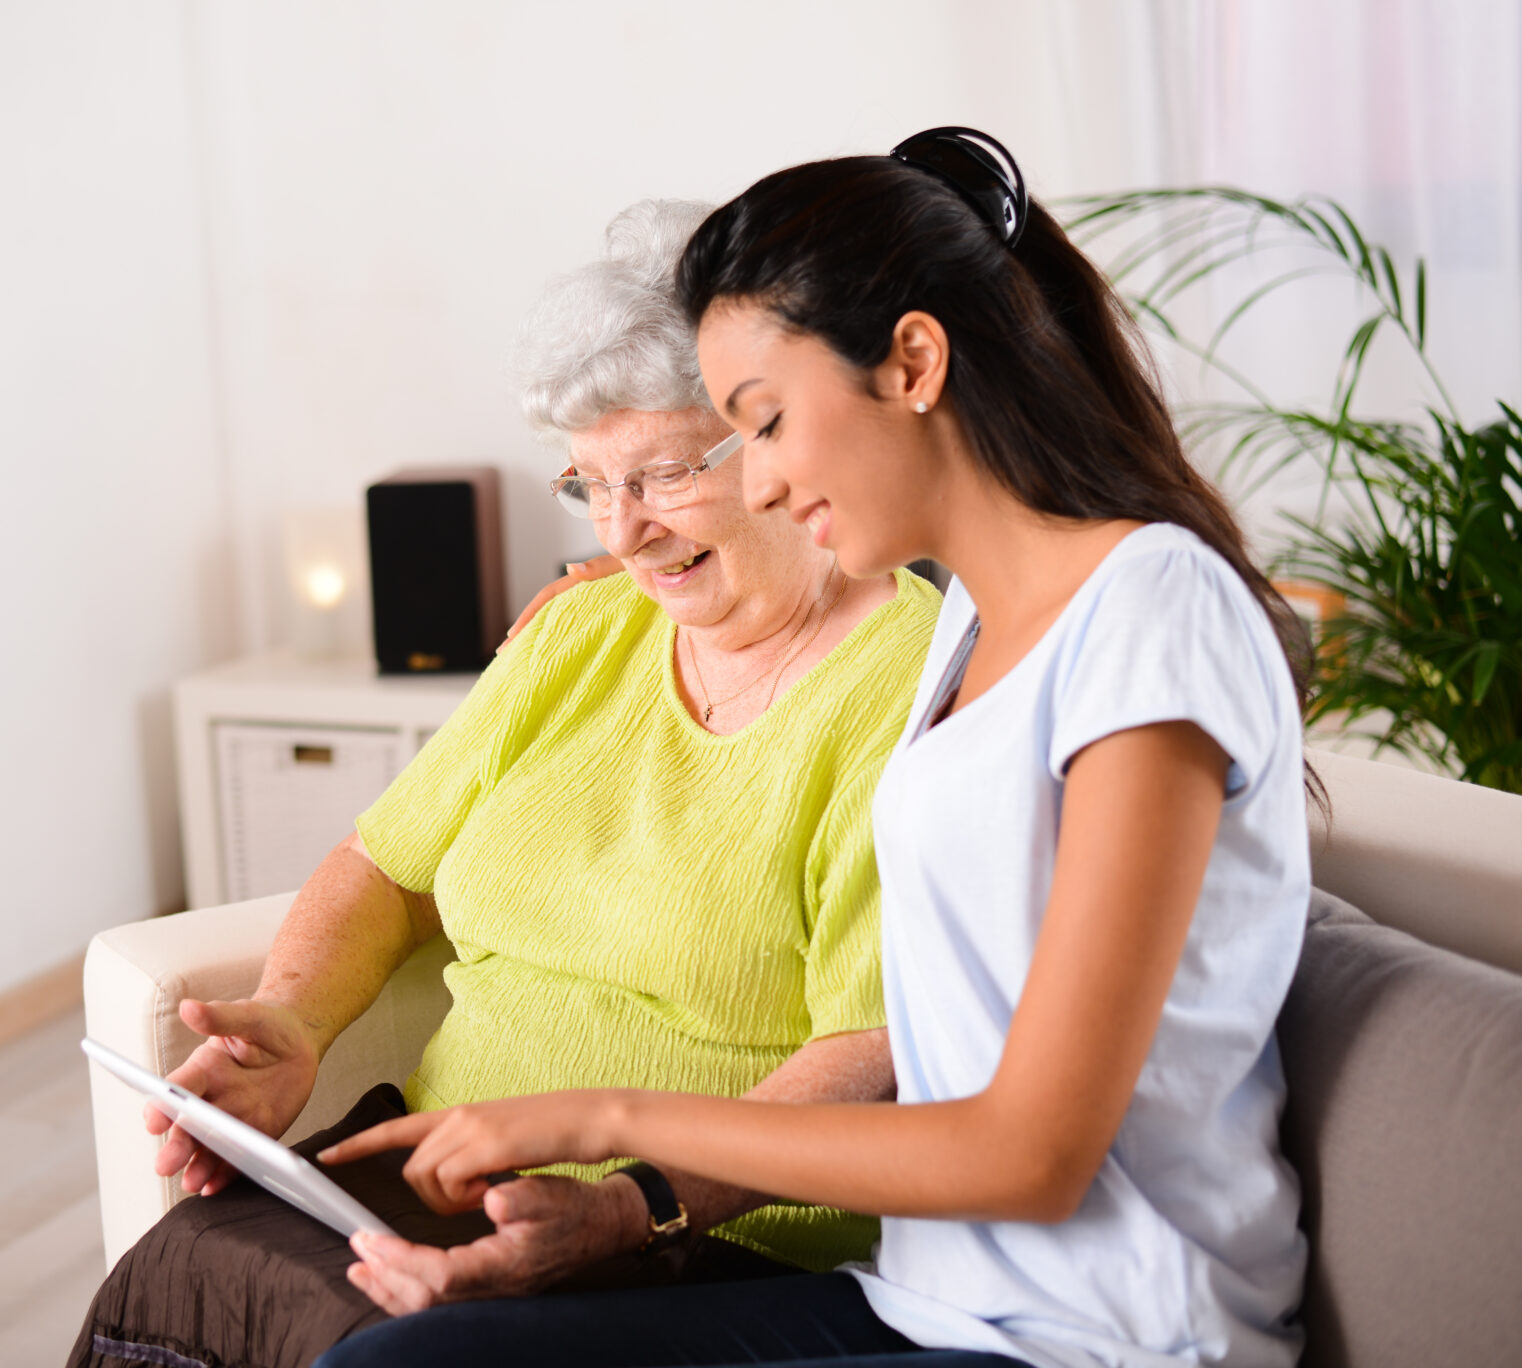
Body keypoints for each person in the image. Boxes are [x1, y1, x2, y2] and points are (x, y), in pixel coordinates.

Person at [319, 128, 1316, 1368]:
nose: (771, 483)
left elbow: (1034, 1153)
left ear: (912, 361)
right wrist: (629, 1202)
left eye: (765, 424)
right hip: (920, 1295)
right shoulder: (973, 621)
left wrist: (599, 1117)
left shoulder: (1153, 612)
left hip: (1105, 1340)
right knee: (393, 1363)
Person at [64, 200, 942, 1368]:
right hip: (438, 1170)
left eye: (667, 474)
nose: (625, 533)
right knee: (195, 1269)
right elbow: (388, 864)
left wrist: (636, 1193)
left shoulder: (907, 686)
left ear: (774, 441)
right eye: (588, 484)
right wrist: (293, 1019)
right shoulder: (580, 632)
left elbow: (871, 1050)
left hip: (709, 1240)